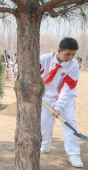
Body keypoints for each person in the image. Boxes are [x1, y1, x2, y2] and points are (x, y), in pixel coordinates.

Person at [39, 37, 83, 168]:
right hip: (46, 97)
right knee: (44, 123)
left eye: (73, 54)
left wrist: (58, 107)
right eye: (67, 54)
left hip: (66, 99)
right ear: (59, 51)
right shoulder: (44, 59)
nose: (70, 57)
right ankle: (44, 144)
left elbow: (67, 88)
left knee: (69, 123)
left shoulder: (74, 66)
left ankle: (74, 154)